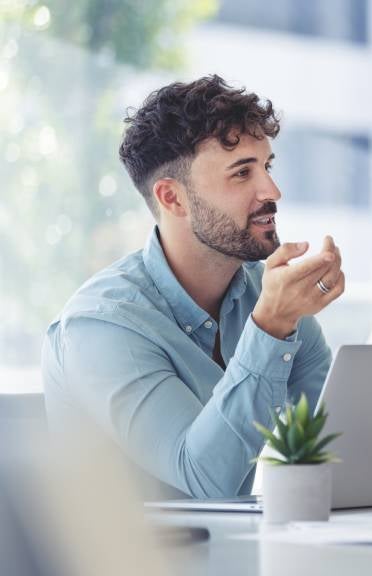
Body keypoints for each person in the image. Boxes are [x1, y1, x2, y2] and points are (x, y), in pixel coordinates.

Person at [41, 75, 345, 499]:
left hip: (236, 556)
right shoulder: (100, 327)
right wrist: (271, 327)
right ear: (172, 199)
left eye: (267, 167)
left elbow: (338, 446)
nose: (272, 191)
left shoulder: (268, 297)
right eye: (242, 173)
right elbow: (204, 478)